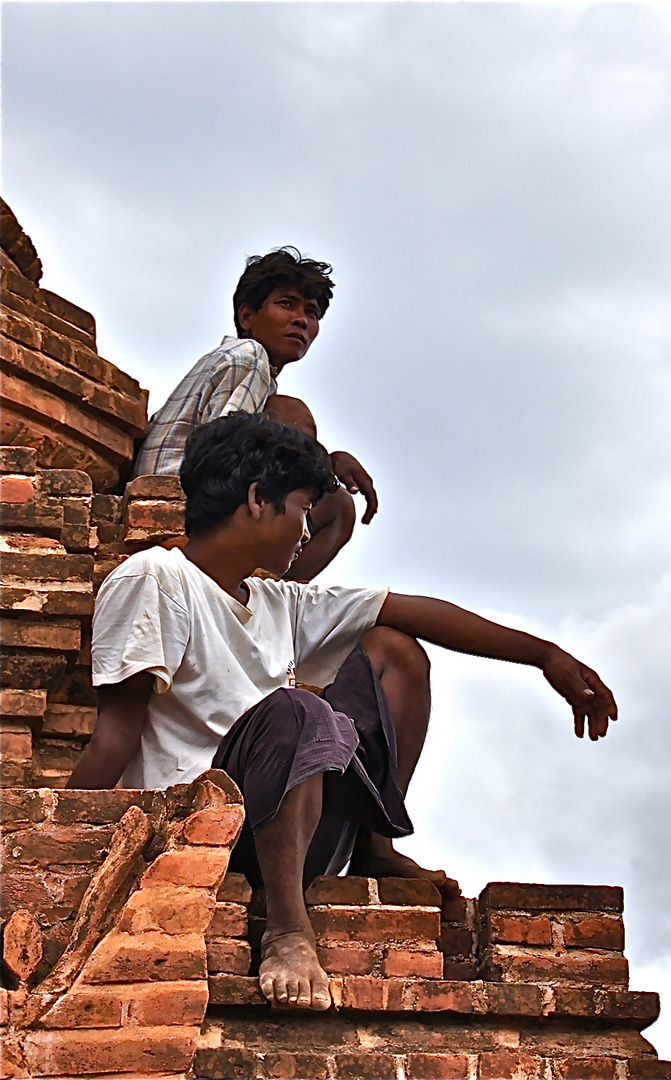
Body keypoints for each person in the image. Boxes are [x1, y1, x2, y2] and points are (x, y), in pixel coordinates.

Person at [68, 412, 617, 1012]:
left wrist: (545, 656)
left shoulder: (280, 602)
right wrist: (61, 852)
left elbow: (411, 610)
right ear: (257, 500)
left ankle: (374, 847)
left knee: (394, 650)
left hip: (295, 824)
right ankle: (286, 929)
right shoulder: (154, 578)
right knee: (296, 710)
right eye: (302, 509)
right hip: (199, 831)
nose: (307, 533)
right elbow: (115, 737)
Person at [132, 248, 373, 581]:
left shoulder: (248, 371)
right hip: (182, 502)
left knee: (287, 417)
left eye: (312, 312)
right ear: (247, 316)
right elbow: (226, 452)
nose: (301, 320)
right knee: (338, 505)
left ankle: (266, 586)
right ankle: (269, 591)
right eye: (286, 304)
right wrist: (325, 466)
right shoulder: (250, 356)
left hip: (180, 493)